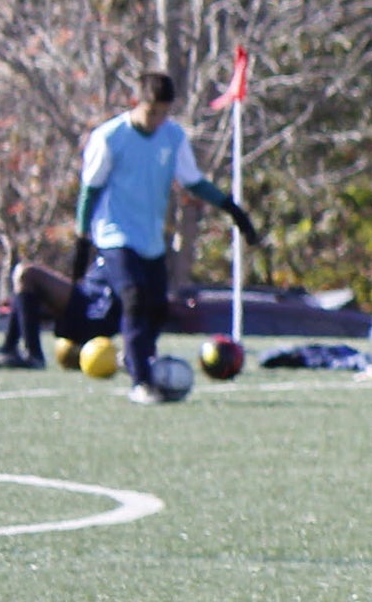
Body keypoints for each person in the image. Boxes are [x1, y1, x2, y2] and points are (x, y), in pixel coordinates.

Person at [71, 72, 259, 405]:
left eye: (164, 112)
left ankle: (139, 360)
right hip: (114, 235)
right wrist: (82, 237)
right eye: (152, 112)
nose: (158, 120)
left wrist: (232, 209)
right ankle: (141, 381)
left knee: (157, 308)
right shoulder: (110, 137)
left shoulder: (172, 136)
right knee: (133, 297)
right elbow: (91, 188)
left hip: (150, 239)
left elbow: (193, 181)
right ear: (136, 103)